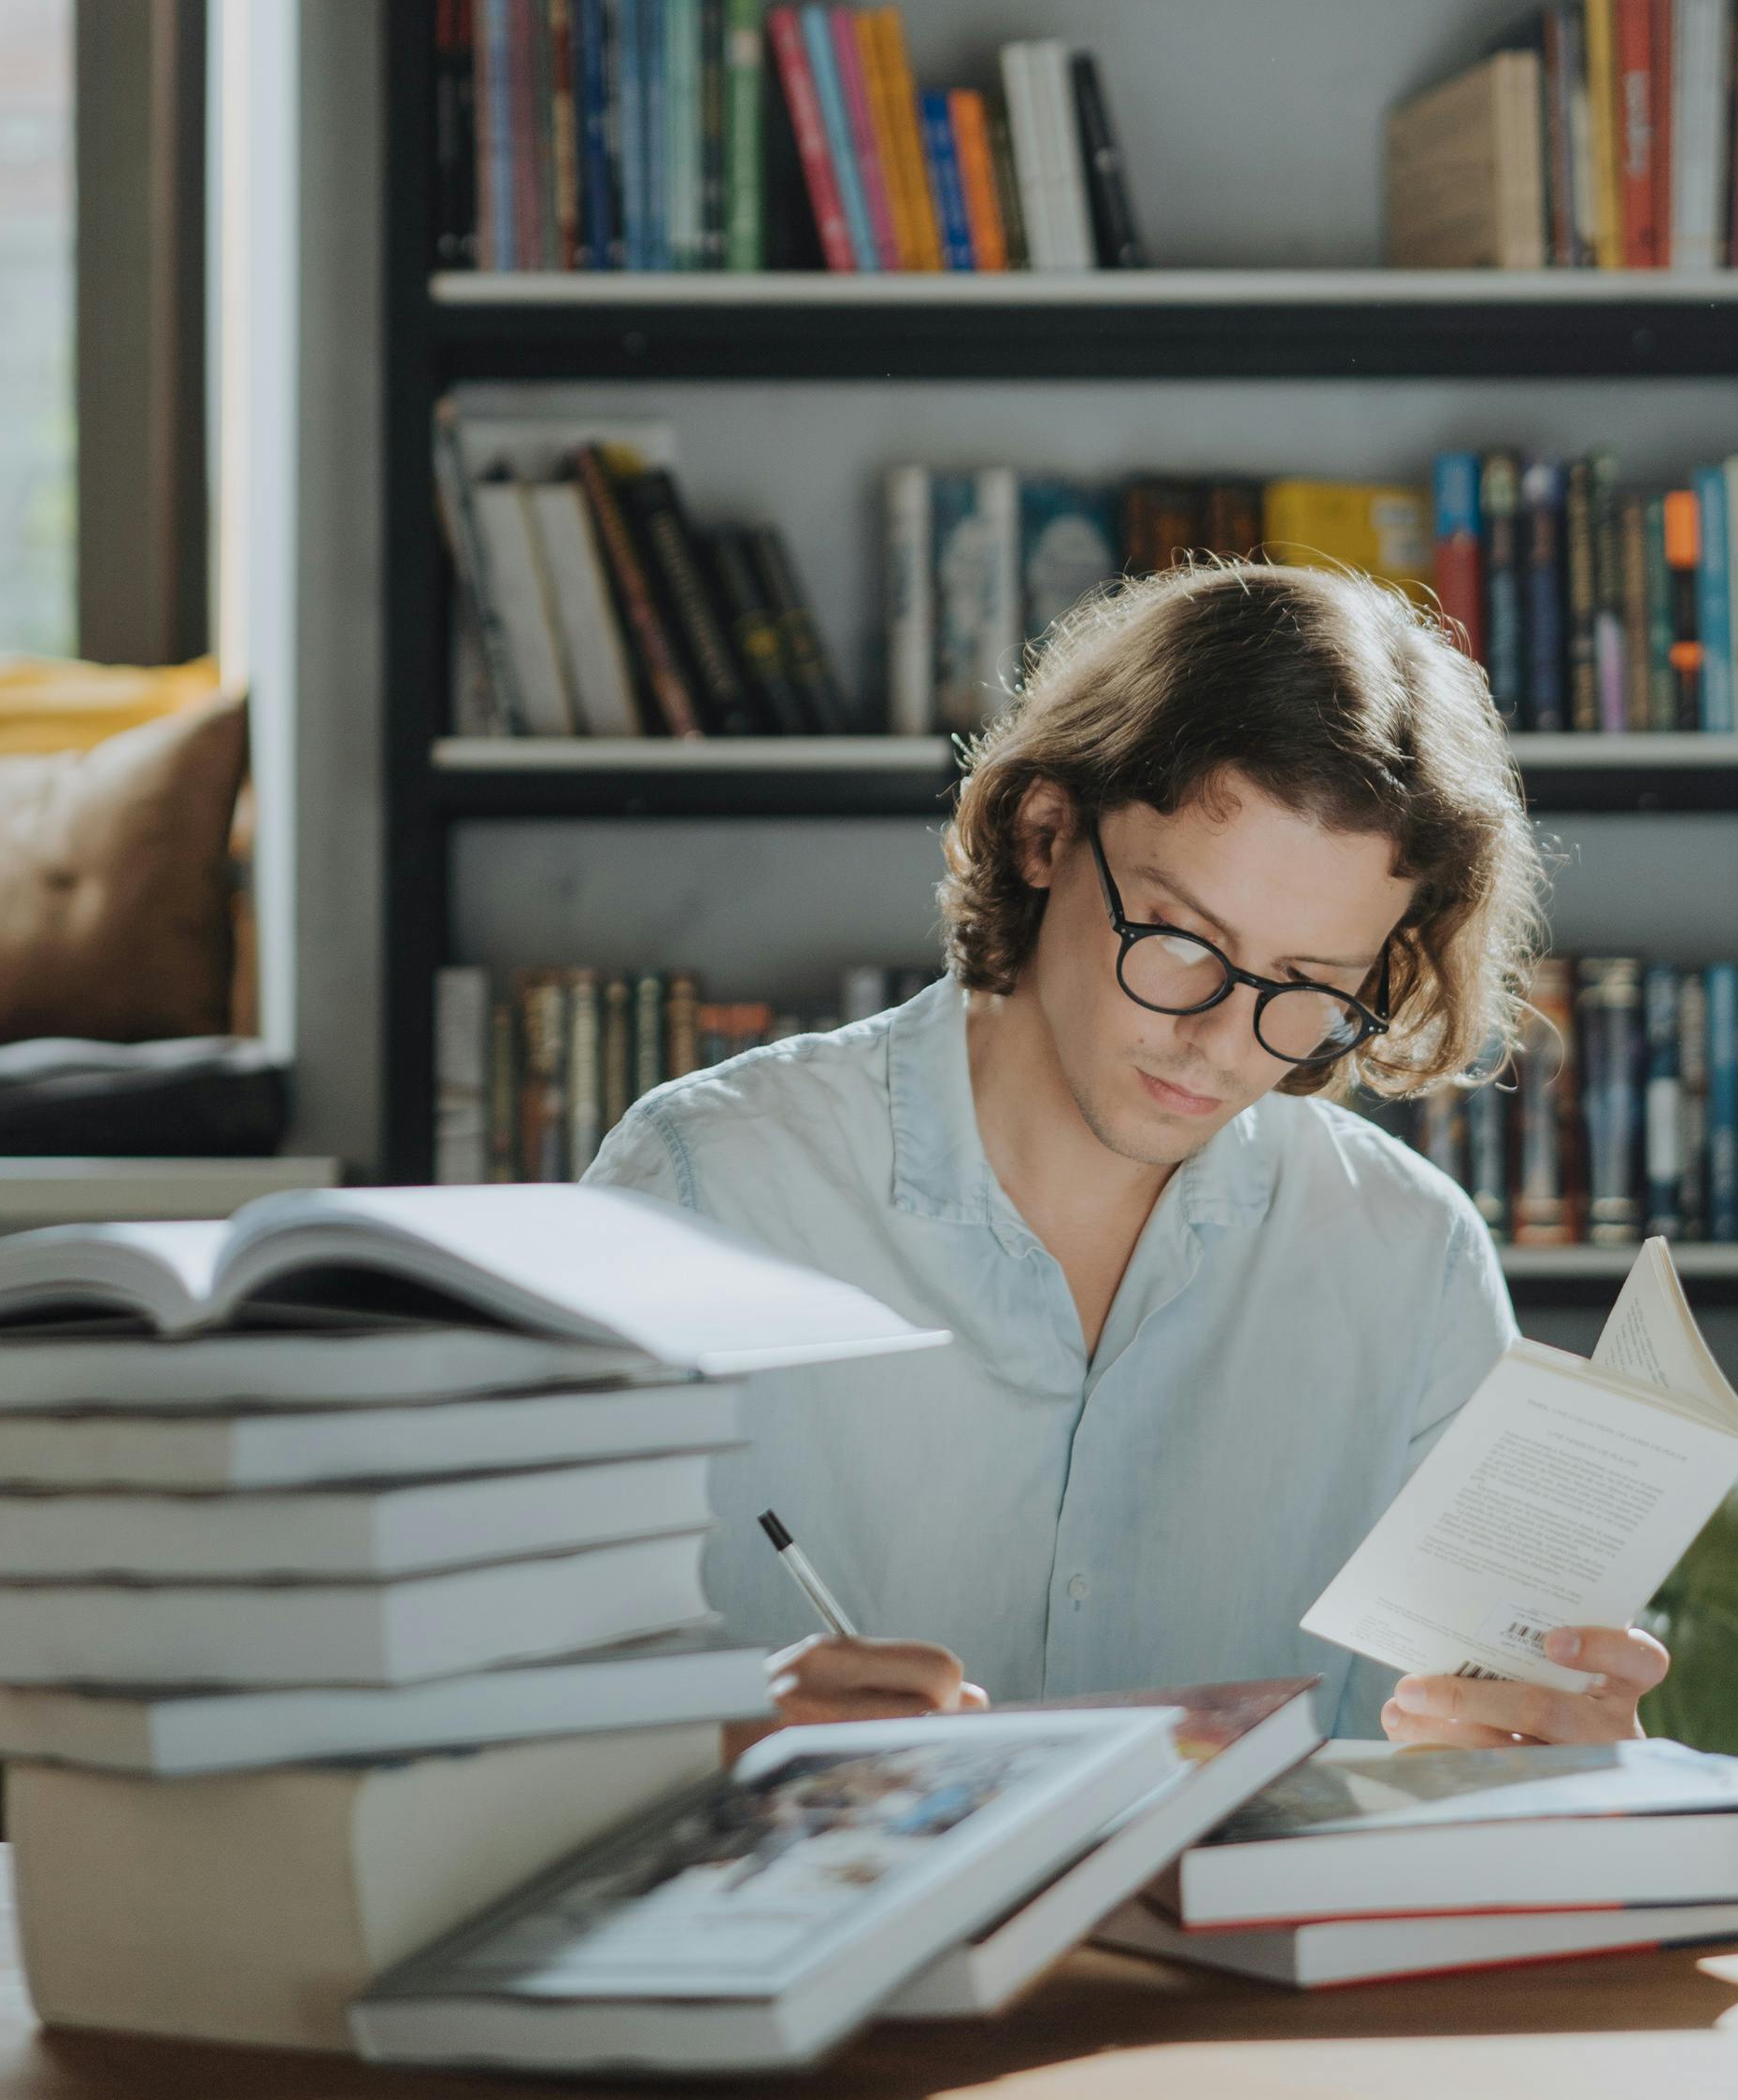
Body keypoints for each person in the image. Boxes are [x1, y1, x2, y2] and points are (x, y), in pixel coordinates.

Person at [586, 561, 1670, 1750]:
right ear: (1043, 831)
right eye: (1180, 938)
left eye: (1308, 986)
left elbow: (1456, 1776)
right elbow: (505, 1727)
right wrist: (711, 1736)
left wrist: (1547, 1751)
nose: (1214, 1039)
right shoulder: (701, 1186)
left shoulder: (1406, 1259)